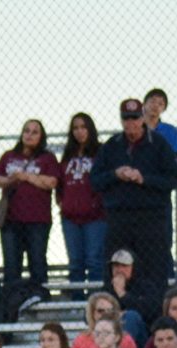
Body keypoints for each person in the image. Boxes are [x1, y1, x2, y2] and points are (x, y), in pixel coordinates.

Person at [93, 97, 177, 284]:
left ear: (142, 119)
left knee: (154, 269)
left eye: (134, 118)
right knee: (116, 265)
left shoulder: (159, 144)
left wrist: (144, 179)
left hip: (151, 218)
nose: (130, 123)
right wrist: (115, 174)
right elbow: (95, 180)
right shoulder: (111, 146)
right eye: (126, 119)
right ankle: (116, 306)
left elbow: (172, 179)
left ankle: (153, 309)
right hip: (119, 218)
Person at [0, 120, 60, 297]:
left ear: (41, 136)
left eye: (34, 132)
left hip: (37, 220)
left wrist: (26, 176)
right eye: (26, 131)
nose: (29, 135)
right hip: (11, 219)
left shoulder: (47, 158)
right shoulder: (9, 156)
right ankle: (10, 302)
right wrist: (10, 180)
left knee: (37, 262)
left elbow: (52, 182)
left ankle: (39, 299)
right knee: (11, 265)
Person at [57, 114, 109, 284]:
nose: (79, 131)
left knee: (94, 260)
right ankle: (77, 302)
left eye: (83, 127)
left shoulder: (101, 152)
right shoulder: (68, 155)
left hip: (95, 216)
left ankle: (95, 302)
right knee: (75, 262)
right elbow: (60, 183)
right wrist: (62, 202)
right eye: (75, 128)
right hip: (70, 216)